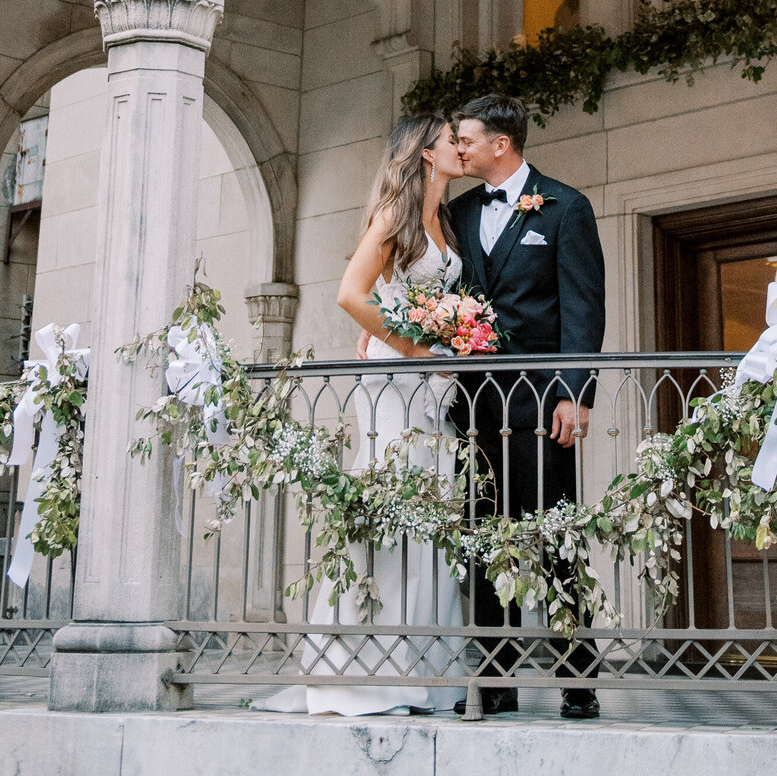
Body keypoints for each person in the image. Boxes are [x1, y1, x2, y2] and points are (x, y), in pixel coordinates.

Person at [256, 114, 467, 717]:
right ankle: (362, 670)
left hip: (432, 385)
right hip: (394, 384)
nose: (460, 146)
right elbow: (351, 294)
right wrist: (412, 348)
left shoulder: (443, 221)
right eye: (451, 139)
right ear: (425, 154)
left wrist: (451, 339)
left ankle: (422, 670)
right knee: (391, 509)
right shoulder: (393, 218)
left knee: (432, 510)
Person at [448, 93, 606, 721]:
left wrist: (575, 392)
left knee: (554, 532)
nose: (458, 149)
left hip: (543, 402)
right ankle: (495, 675)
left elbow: (583, 304)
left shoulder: (566, 206)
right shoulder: (456, 213)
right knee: (486, 533)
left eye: (465, 139)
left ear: (500, 145)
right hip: (477, 402)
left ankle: (578, 675)